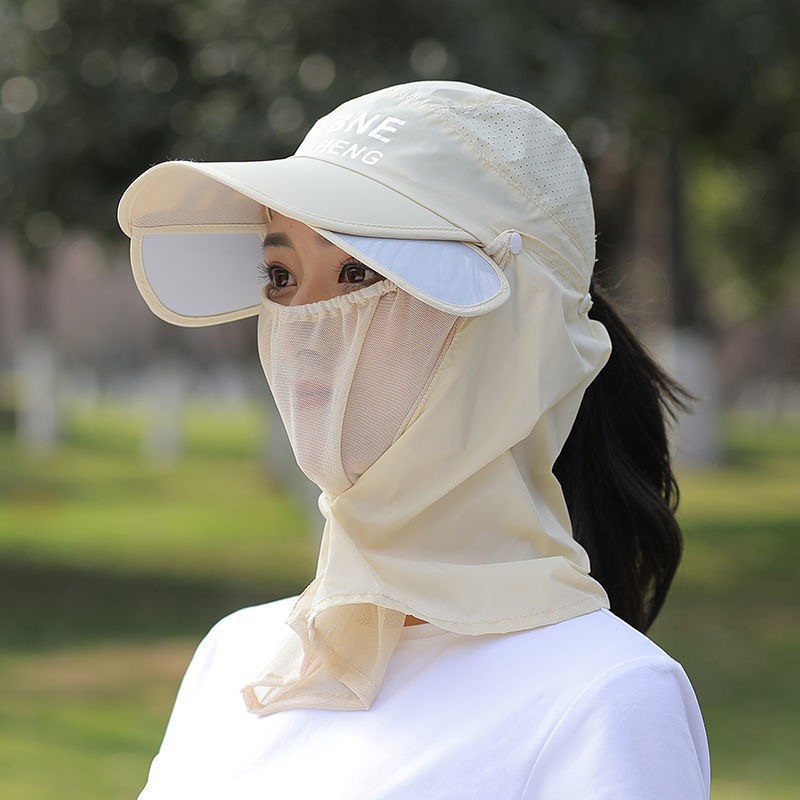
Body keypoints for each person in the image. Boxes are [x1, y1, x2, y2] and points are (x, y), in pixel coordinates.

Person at [118, 81, 710, 798]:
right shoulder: (236, 658)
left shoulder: (605, 698)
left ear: (517, 327)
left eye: (360, 274)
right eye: (280, 275)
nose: (306, 328)